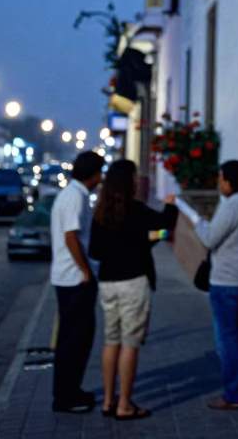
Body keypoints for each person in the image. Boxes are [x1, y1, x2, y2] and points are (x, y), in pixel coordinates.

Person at [89, 159, 178, 420]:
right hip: (133, 282)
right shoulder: (136, 209)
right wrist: (171, 205)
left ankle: (108, 400)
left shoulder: (100, 213)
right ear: (129, 182)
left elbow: (96, 251)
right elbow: (164, 223)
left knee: (111, 340)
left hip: (107, 283)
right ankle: (125, 404)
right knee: (130, 343)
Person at [191, 159, 238, 411]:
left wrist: (199, 224)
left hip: (226, 281)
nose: (219, 183)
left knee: (228, 340)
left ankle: (234, 394)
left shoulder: (232, 206)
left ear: (228, 180)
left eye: (221, 178)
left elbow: (210, 238)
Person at [49, 150, 104, 413]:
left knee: (74, 339)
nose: (102, 178)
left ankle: (71, 390)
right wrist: (85, 271)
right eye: (100, 173)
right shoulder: (75, 198)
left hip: (70, 275)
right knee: (75, 340)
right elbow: (72, 237)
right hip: (74, 278)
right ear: (93, 174)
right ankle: (66, 397)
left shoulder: (73, 195)